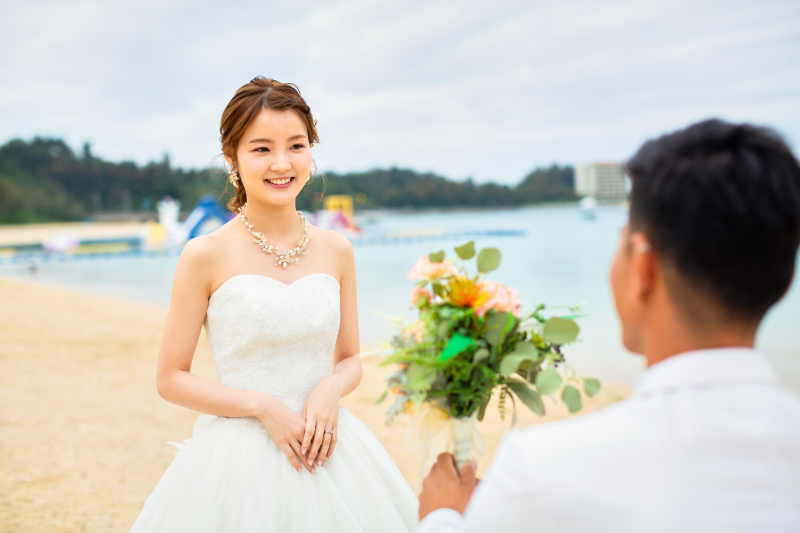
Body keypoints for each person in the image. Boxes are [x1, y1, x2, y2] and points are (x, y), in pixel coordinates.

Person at [416, 119, 800, 532]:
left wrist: (443, 516)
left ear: (644, 268)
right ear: (780, 284)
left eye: (621, 237)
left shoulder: (544, 471)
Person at [130, 77, 418, 532]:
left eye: (297, 146)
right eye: (261, 149)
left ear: (311, 151)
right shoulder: (204, 254)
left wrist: (330, 389)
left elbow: (349, 360)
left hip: (329, 448)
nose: (282, 164)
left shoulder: (337, 249)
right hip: (238, 459)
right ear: (232, 158)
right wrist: (262, 407)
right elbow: (170, 379)